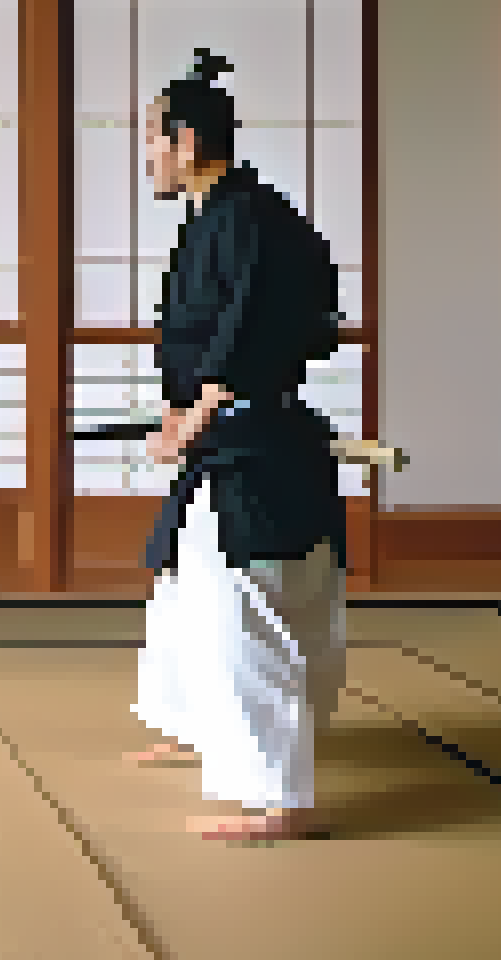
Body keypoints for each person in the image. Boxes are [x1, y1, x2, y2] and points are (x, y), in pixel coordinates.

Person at [121, 48, 351, 843]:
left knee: (244, 605)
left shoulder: (250, 218)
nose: (147, 157)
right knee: (187, 587)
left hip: (253, 436)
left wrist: (200, 410)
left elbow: (255, 324)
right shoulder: (221, 216)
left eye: (151, 140)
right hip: (232, 429)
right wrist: (183, 412)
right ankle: (194, 723)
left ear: (185, 142)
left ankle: (279, 795)